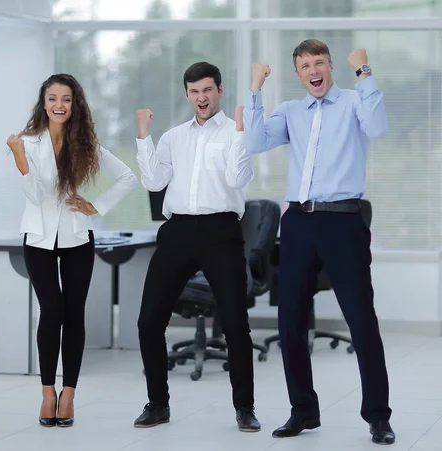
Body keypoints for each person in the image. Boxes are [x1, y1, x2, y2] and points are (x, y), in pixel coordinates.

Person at [243, 39, 395, 445]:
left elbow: (378, 127)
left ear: (330, 67)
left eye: (320, 63)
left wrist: (364, 72)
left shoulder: (352, 102)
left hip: (344, 221)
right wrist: (254, 90)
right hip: (298, 223)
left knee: (361, 319)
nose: (314, 70)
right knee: (290, 319)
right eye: (305, 65)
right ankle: (303, 412)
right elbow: (255, 143)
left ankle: (378, 416)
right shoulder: (291, 111)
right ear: (297, 73)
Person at [133, 62, 260, 432]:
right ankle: (158, 404)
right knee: (149, 321)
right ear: (187, 94)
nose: (201, 97)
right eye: (194, 91)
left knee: (236, 324)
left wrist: (240, 132)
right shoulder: (174, 137)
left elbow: (238, 178)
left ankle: (244, 408)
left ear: (219, 90)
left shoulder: (236, 132)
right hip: (178, 231)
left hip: (221, 230)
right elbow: (155, 180)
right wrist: (144, 137)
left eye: (207, 90)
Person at [6, 73, 137, 428]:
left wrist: (97, 206)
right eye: (52, 99)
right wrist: (19, 156)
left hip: (78, 237)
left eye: (65, 99)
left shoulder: (86, 144)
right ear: (43, 103)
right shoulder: (28, 142)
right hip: (38, 238)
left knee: (74, 312)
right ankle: (47, 392)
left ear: (74, 104)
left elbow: (128, 177)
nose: (58, 105)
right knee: (51, 310)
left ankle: (69, 394)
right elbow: (34, 195)